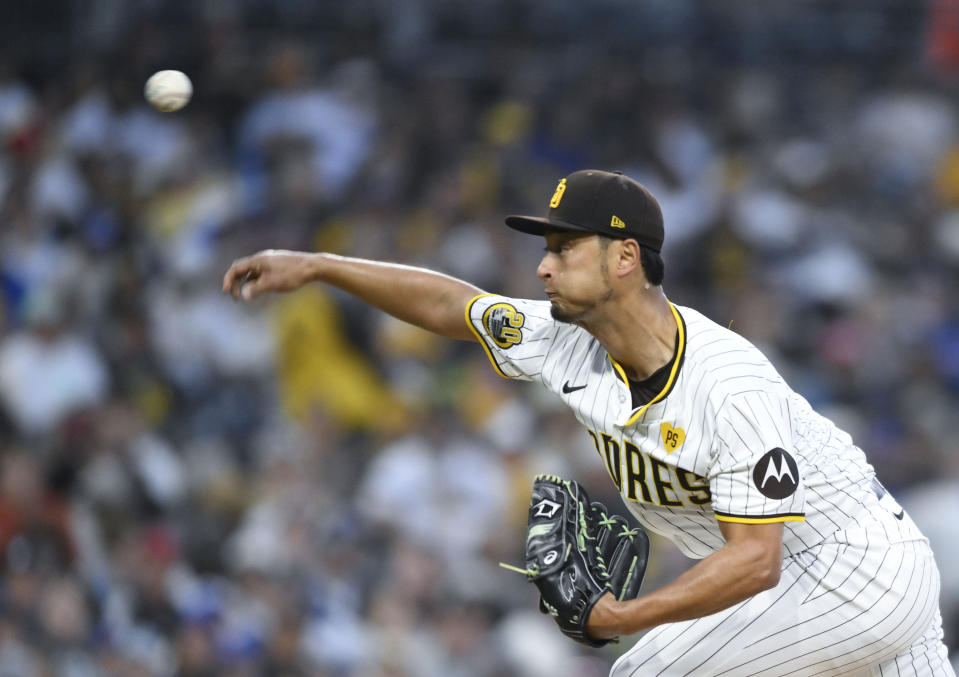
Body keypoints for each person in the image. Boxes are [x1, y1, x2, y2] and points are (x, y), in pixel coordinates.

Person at [223, 169, 954, 676]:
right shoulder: (563, 337)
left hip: (849, 568)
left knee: (647, 670)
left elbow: (754, 560)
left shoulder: (725, 383)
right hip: (829, 572)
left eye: (563, 247)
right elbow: (455, 307)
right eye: (546, 248)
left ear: (625, 259)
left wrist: (620, 613)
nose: (543, 267)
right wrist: (318, 265)